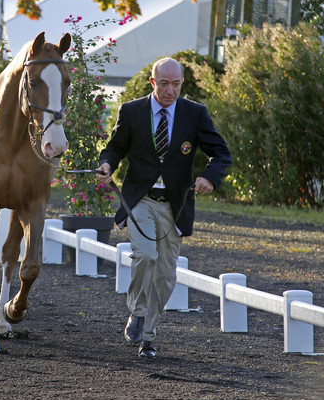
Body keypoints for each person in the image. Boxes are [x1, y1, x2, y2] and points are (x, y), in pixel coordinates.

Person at [96, 57, 231, 358]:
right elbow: (115, 147)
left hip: (175, 205)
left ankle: (149, 336)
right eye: (165, 83)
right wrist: (106, 164)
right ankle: (138, 312)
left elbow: (221, 154)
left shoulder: (194, 114)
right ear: (153, 82)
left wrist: (209, 177)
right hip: (140, 200)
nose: (171, 90)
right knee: (145, 254)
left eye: (177, 84)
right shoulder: (131, 111)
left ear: (182, 82)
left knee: (166, 274)